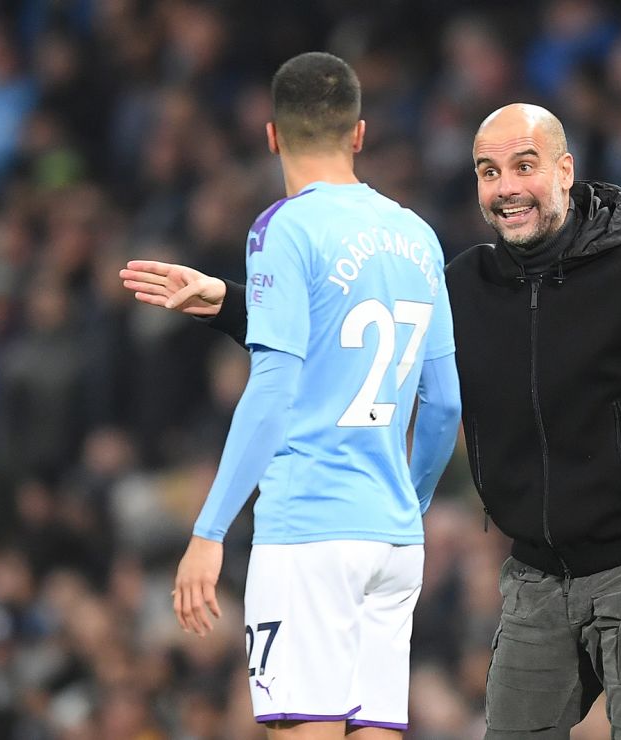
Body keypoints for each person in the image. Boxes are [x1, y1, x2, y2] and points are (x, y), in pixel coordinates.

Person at [126, 103, 621, 739]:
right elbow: (355, 341)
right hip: (533, 575)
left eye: (524, 166)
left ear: (565, 170)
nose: (506, 188)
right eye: (488, 172)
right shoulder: (464, 285)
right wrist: (231, 306)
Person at [122, 52, 461, 739]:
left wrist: (209, 531)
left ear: (272, 135)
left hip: (309, 531)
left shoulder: (284, 227)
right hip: (391, 540)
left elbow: (274, 390)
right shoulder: (418, 236)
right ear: (359, 134)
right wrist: (408, 500)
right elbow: (445, 401)